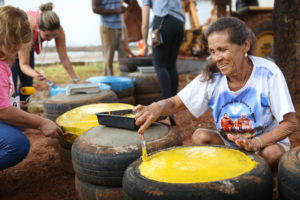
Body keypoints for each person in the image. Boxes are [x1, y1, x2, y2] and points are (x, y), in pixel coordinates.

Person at [134, 16, 298, 171]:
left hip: (265, 144)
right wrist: (156, 107)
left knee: (272, 154)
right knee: (199, 136)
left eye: (222, 50)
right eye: (212, 51)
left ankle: (263, 182)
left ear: (245, 46)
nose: (217, 58)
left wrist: (257, 142)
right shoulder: (211, 76)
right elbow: (175, 103)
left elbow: (290, 123)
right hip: (231, 144)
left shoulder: (268, 73)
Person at [0, 5, 63, 170]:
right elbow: (3, 111)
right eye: (17, 44)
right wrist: (41, 123)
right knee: (17, 144)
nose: (20, 48)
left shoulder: (4, 62)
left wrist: (16, 108)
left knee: (18, 123)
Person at [11, 2, 82, 102]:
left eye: (54, 35)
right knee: (11, 83)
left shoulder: (59, 30)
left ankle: (23, 109)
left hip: (27, 44)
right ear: (38, 28)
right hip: (10, 45)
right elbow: (23, 65)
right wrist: (36, 74)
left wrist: (76, 80)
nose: (50, 39)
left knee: (27, 82)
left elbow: (64, 58)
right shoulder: (28, 28)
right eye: (47, 35)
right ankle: (9, 111)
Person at [141, 0, 185, 100]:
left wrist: (145, 43)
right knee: (171, 65)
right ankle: (174, 103)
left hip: (162, 22)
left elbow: (145, 23)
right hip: (179, 24)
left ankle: (168, 107)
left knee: (160, 65)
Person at [92, 0, 130, 76]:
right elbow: (95, 8)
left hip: (122, 26)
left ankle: (126, 82)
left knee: (125, 58)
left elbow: (129, 2)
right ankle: (109, 83)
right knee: (108, 57)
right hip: (107, 26)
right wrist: (115, 11)